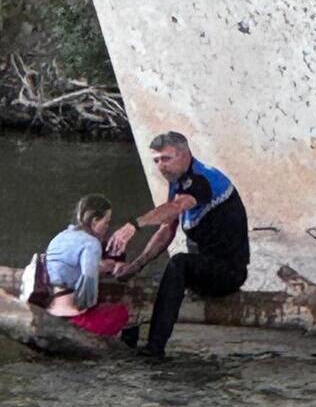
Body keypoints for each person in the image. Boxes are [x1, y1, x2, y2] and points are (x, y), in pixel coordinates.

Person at [107, 132, 250, 357]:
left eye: (166, 159)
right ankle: (127, 342)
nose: (161, 166)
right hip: (204, 271)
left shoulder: (204, 180)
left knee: (178, 262)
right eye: (156, 161)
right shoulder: (178, 182)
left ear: (184, 155)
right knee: (144, 279)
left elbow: (176, 208)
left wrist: (135, 224)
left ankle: (155, 348)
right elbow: (167, 229)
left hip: (228, 273)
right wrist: (136, 265)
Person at [40, 194, 132, 337]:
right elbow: (87, 291)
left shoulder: (61, 236)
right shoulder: (91, 243)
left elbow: (67, 266)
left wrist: (102, 266)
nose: (107, 227)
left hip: (52, 308)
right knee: (122, 312)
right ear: (95, 221)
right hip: (72, 316)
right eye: (106, 222)